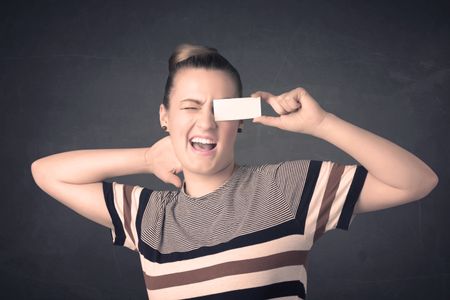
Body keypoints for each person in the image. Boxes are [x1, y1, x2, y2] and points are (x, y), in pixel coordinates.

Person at [31, 43, 438, 299]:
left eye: (220, 110)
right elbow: (47, 172)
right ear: (165, 117)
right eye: (190, 107)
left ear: (239, 121)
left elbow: (418, 181)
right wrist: (145, 158)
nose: (205, 123)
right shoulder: (147, 217)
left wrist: (322, 124)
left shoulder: (287, 190)